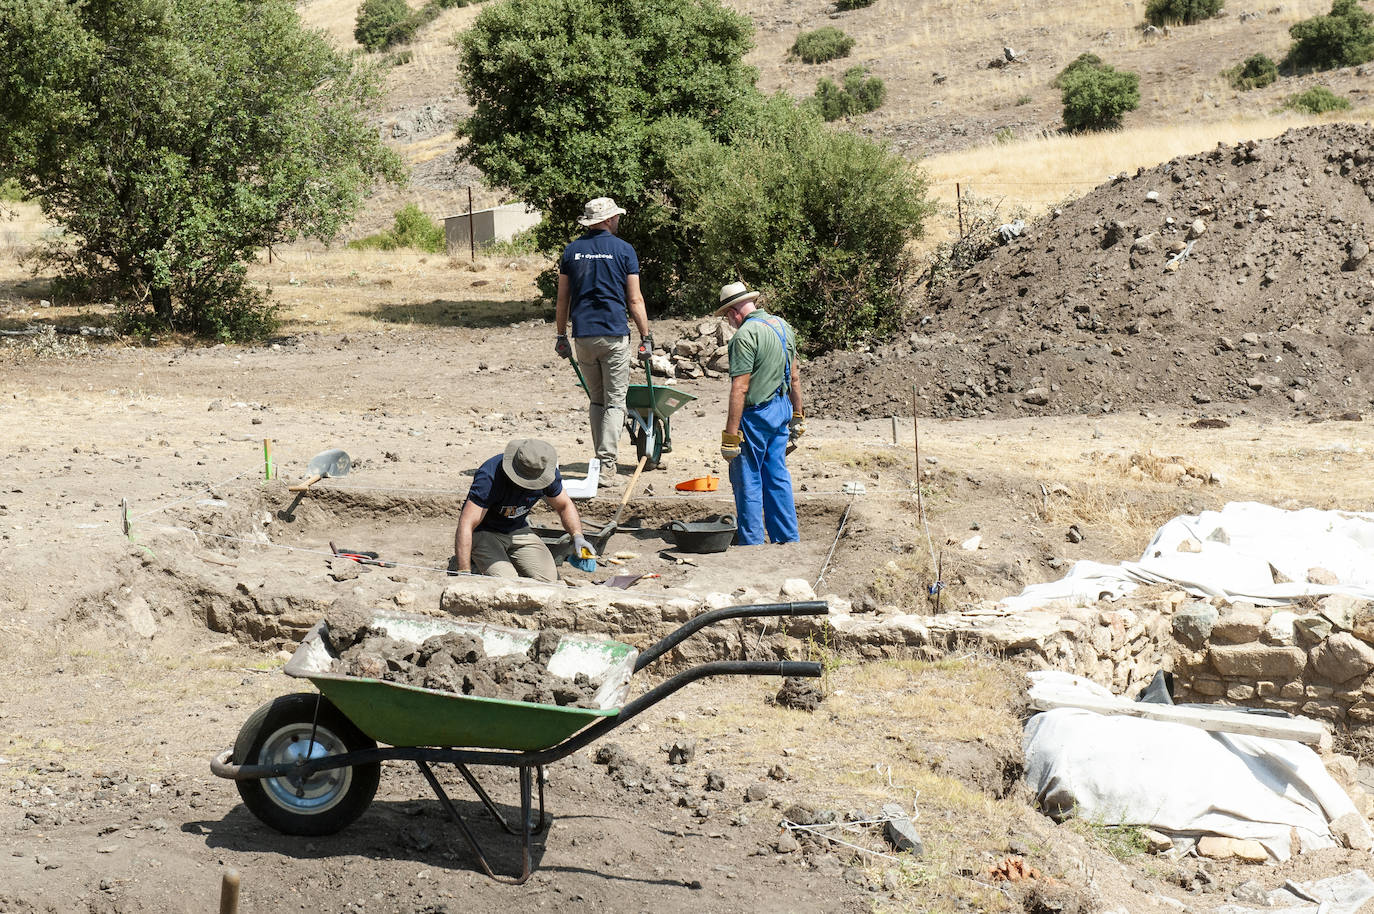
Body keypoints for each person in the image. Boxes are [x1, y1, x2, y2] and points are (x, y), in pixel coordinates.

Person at [555, 197, 652, 481]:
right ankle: (607, 465)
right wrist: (646, 336)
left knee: (597, 400)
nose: (618, 220)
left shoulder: (572, 251)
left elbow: (562, 300)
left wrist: (560, 335)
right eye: (616, 217)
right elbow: (634, 300)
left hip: (583, 336)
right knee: (615, 403)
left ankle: (600, 462)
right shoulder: (624, 250)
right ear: (608, 220)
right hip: (613, 334)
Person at [715, 282, 804, 545]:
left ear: (734, 313)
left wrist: (731, 436)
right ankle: (787, 539)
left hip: (756, 416)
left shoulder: (744, 336)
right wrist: (798, 414)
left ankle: (752, 542)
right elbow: (795, 377)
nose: (729, 322)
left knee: (748, 478)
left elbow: (740, 388)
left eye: (727, 317)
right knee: (777, 475)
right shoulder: (783, 327)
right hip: (781, 410)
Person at [453, 439, 595, 581]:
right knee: (507, 582)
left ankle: (504, 559)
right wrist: (464, 572)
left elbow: (564, 505)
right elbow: (467, 523)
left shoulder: (545, 472)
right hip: (485, 532)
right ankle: (473, 563)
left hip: (518, 529)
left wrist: (577, 536)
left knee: (550, 581)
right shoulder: (490, 475)